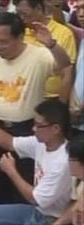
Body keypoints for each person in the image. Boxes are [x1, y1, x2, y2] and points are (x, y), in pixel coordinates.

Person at [0, 12, 71, 207]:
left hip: (28, 129)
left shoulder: (39, 55)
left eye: (4, 42)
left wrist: (51, 44)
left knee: (22, 180)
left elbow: (65, 66)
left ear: (20, 37)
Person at [0, 99, 71, 224]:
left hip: (50, 218)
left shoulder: (62, 162)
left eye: (38, 125)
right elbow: (9, 142)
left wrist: (11, 171)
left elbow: (35, 199)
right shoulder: (41, 143)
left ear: (56, 128)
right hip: (37, 211)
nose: (33, 128)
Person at [15, 0, 76, 102]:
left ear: (39, 8)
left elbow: (68, 72)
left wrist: (61, 104)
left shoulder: (64, 33)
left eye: (25, 14)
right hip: (22, 96)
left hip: (52, 98)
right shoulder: (20, 33)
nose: (21, 18)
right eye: (18, 14)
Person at [70, 0, 84, 139]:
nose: (81, 14)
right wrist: (72, 106)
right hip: (77, 123)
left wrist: (80, 109)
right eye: (78, 9)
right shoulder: (83, 41)